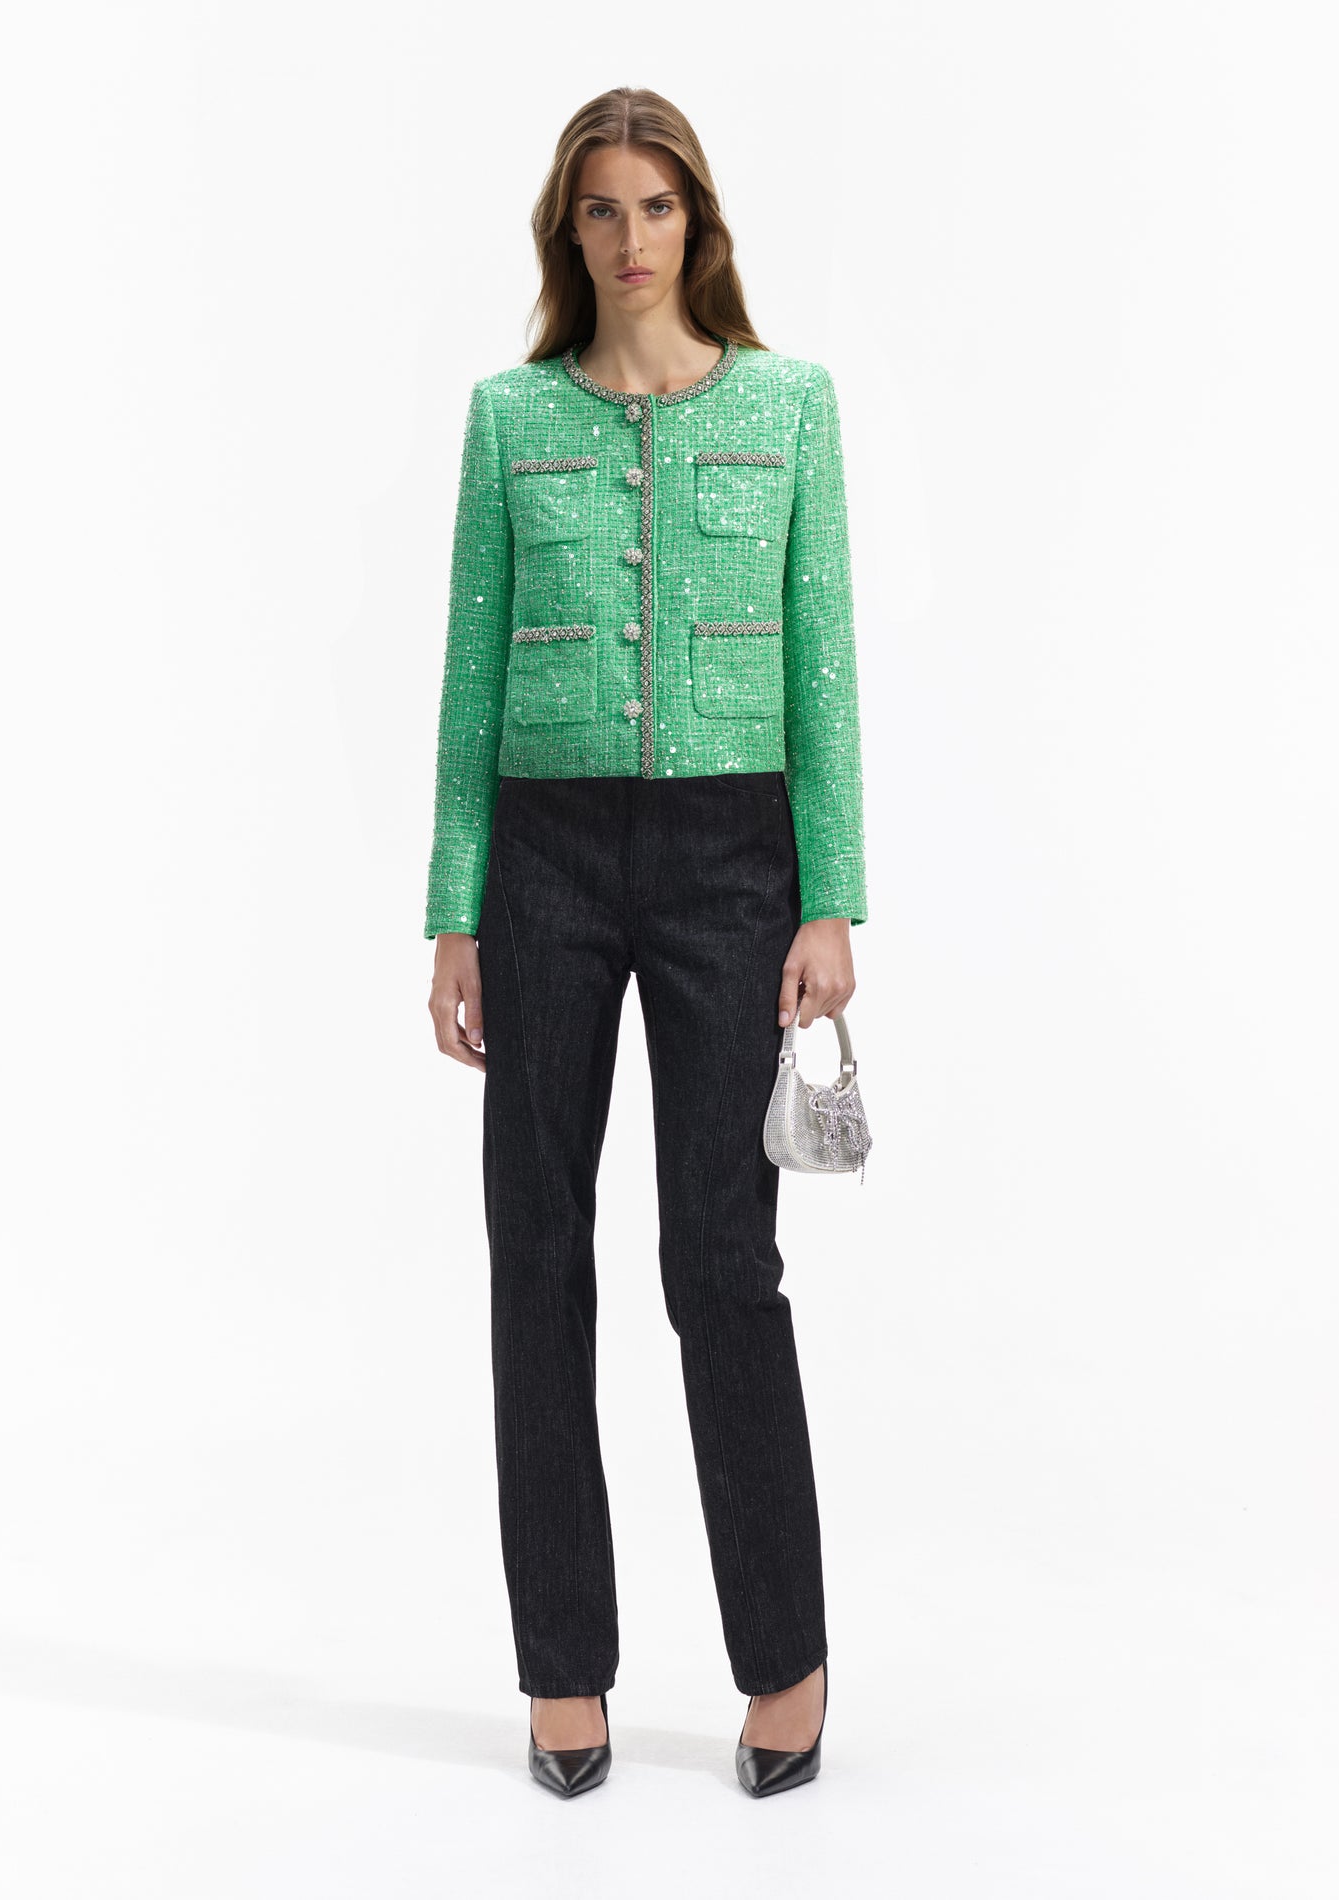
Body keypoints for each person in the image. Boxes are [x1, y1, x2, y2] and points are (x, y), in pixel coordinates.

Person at [421, 86, 867, 1800]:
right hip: (542, 863)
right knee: (536, 1252)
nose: (630, 240)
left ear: (699, 222)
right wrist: (455, 910)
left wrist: (829, 893)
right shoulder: (508, 418)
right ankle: (563, 1671)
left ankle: (787, 1658)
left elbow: (824, 662)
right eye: (601, 210)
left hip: (732, 866)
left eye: (657, 207)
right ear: (570, 230)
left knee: (720, 1261)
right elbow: (468, 688)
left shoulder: (789, 405)